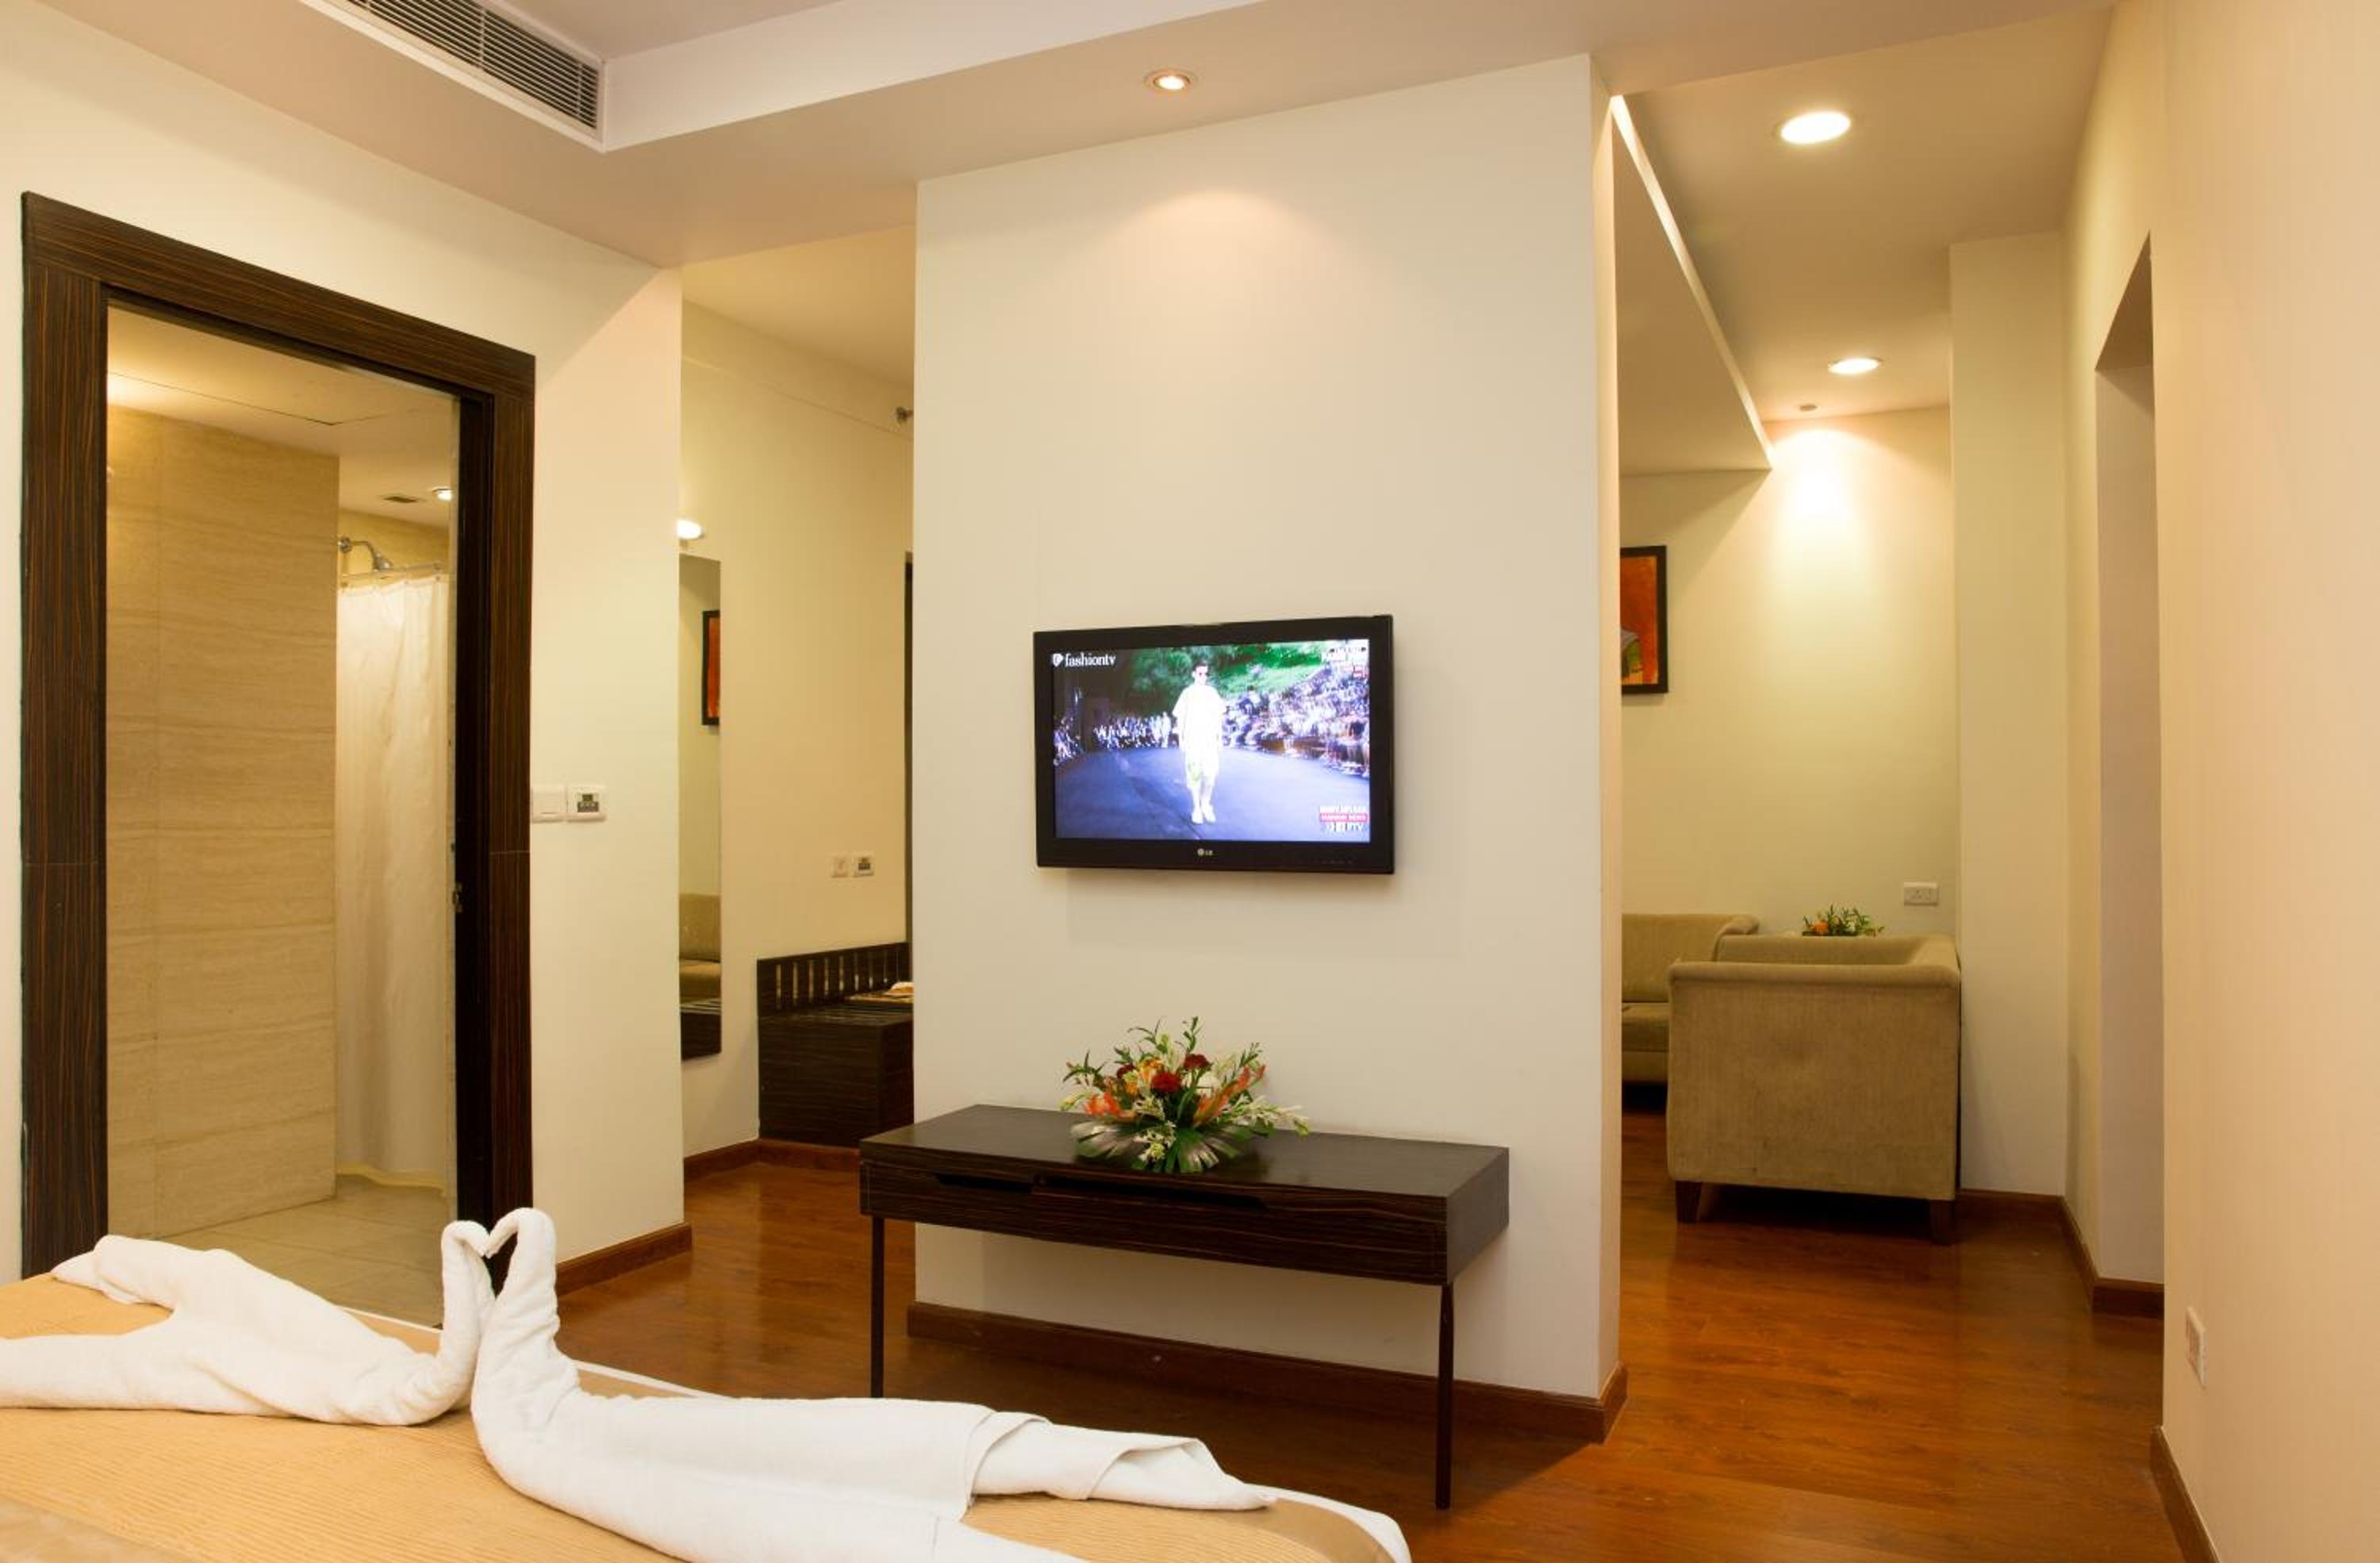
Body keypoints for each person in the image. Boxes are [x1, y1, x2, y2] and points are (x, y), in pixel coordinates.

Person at [1170, 661, 1226, 825]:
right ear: (1193, 674)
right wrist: (1181, 739)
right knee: (1194, 776)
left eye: (1206, 674)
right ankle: (1196, 808)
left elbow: (1218, 717)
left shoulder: (1212, 692)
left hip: (1209, 741)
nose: (1203, 676)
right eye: (1200, 673)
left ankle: (1206, 804)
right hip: (1193, 740)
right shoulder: (1187, 693)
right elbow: (1180, 717)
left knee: (1210, 776)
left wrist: (1220, 738)